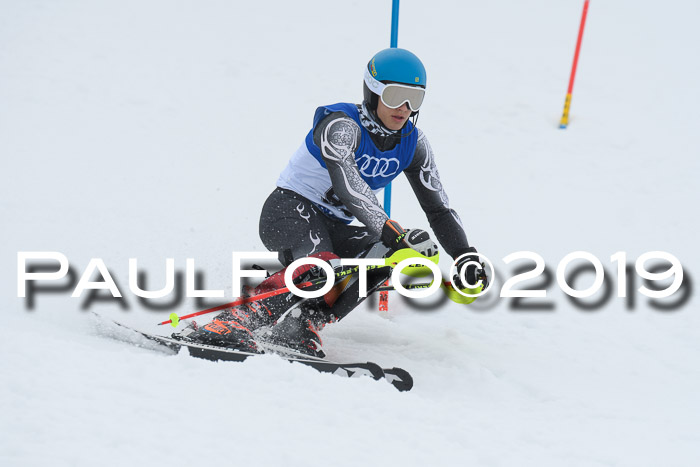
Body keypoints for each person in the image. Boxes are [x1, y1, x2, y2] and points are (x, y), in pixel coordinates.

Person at [178, 48, 487, 358]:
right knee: (322, 264)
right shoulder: (340, 126)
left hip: (334, 225)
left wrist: (465, 256)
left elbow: (438, 208)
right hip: (288, 211)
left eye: (414, 99)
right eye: (395, 96)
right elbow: (350, 186)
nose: (404, 108)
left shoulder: (414, 143)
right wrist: (393, 229)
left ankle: (304, 323)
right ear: (373, 91)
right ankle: (236, 318)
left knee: (390, 255)